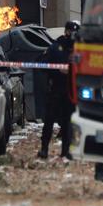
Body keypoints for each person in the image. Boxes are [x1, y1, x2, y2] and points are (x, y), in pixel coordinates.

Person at [38, 21, 78, 159]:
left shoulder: (78, 49)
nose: (72, 35)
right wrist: (57, 69)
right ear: (66, 31)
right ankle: (44, 148)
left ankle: (66, 150)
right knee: (49, 120)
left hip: (71, 91)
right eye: (71, 32)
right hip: (55, 88)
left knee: (68, 121)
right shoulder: (56, 47)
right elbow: (43, 65)